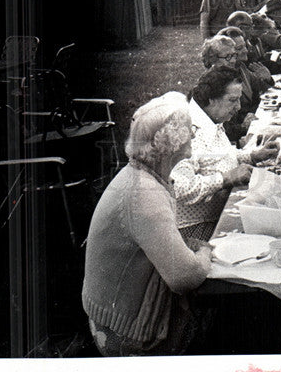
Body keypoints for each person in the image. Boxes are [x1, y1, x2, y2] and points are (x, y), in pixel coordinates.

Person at [81, 93, 212, 357]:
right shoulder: (144, 194)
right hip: (126, 329)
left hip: (116, 312)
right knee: (225, 322)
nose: (194, 137)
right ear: (172, 143)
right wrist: (206, 252)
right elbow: (184, 277)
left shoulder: (143, 176)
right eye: (191, 131)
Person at [170, 66, 277, 242]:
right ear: (211, 99)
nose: (239, 106)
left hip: (219, 212)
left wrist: (252, 156)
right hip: (195, 229)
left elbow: (218, 157)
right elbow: (180, 188)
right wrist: (226, 178)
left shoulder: (210, 119)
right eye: (232, 100)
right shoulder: (188, 131)